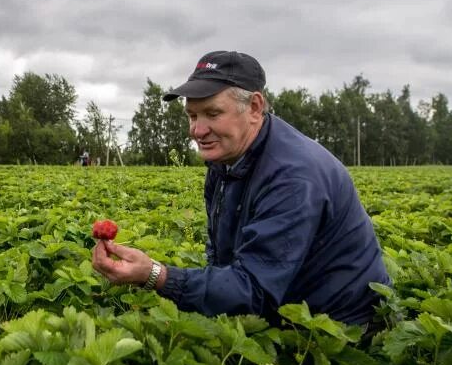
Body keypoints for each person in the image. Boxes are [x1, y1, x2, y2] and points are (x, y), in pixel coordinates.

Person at [92, 50, 390, 326]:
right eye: (193, 116)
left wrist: (156, 275)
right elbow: (221, 251)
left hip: (337, 327)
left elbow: (254, 290)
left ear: (255, 108)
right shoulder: (227, 156)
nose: (197, 130)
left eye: (212, 113)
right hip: (282, 304)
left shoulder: (294, 176)